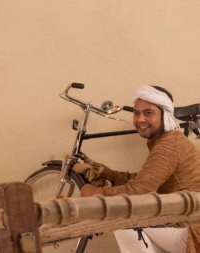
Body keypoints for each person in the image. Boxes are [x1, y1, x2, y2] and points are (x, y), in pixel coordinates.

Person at [80, 85, 200, 253]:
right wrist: (114, 176)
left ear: (164, 114)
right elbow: (147, 179)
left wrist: (96, 194)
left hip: (192, 231)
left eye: (148, 113)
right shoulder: (168, 140)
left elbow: (140, 191)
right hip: (185, 223)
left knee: (120, 213)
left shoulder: (169, 145)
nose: (140, 119)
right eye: (136, 113)